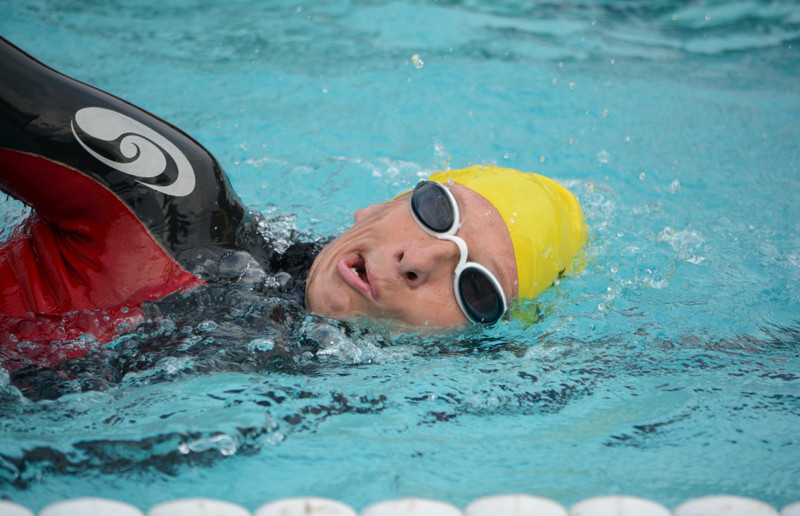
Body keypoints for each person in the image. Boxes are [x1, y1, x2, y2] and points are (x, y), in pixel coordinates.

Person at [0, 37, 587, 367]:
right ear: (377, 207)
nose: (421, 261)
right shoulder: (172, 204)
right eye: (439, 212)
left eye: (475, 288)